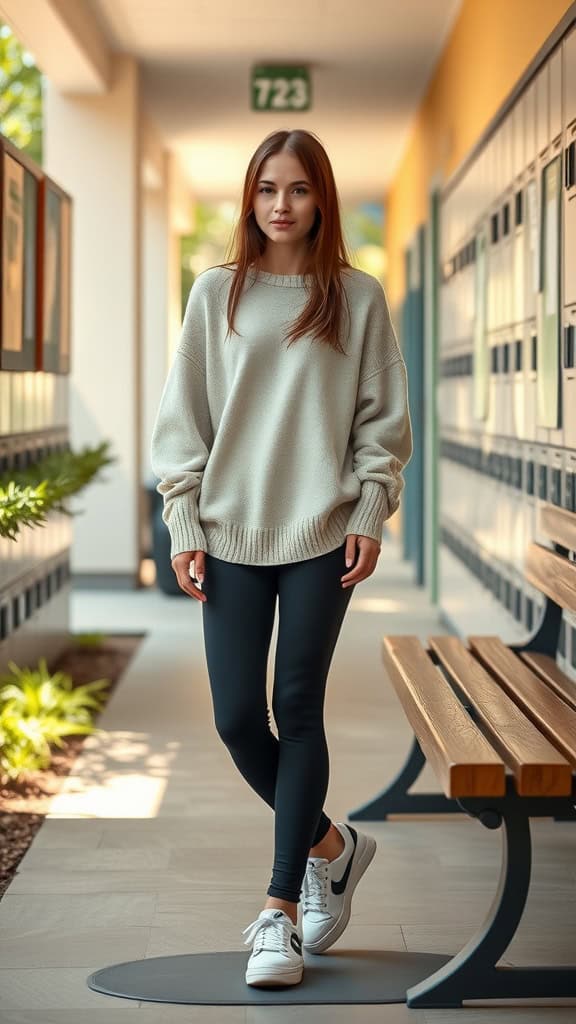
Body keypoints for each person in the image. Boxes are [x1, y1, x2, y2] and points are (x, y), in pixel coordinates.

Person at [150, 128, 413, 989]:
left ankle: (280, 914)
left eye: (298, 189)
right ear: (249, 198)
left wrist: (371, 507)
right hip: (228, 534)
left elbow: (382, 423)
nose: (282, 205)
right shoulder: (215, 293)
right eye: (267, 188)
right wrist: (183, 523)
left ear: (323, 199)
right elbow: (183, 421)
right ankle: (333, 849)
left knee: (296, 708)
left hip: (321, 534)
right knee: (236, 719)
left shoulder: (358, 298)